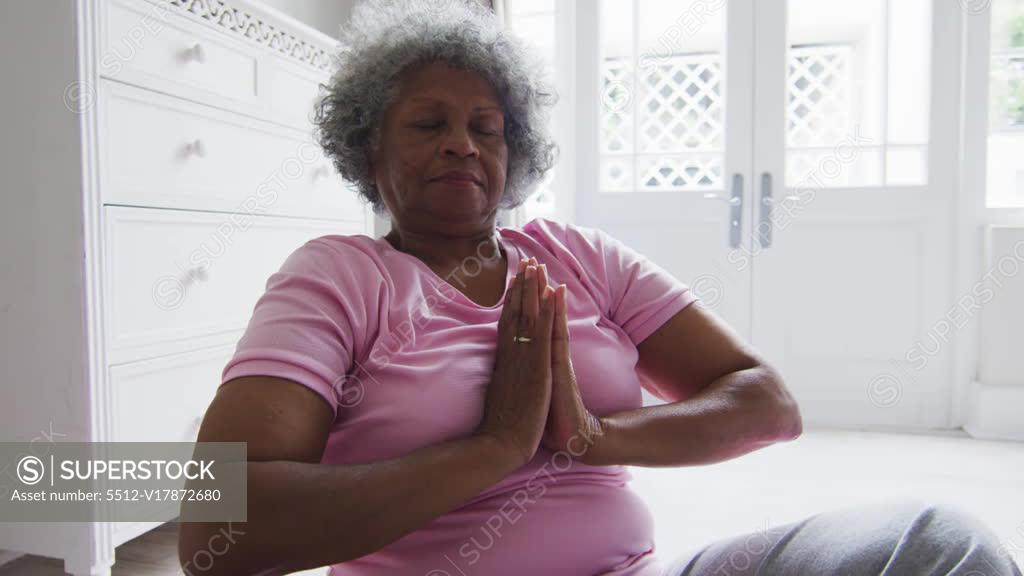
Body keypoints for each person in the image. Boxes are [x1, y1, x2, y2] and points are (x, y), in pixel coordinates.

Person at [177, 0, 1024, 574]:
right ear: (368, 153)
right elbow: (218, 529)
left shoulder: (574, 253)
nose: (463, 146)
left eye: (487, 128)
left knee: (938, 542)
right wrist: (493, 448)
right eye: (429, 124)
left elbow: (766, 402)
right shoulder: (337, 278)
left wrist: (589, 435)